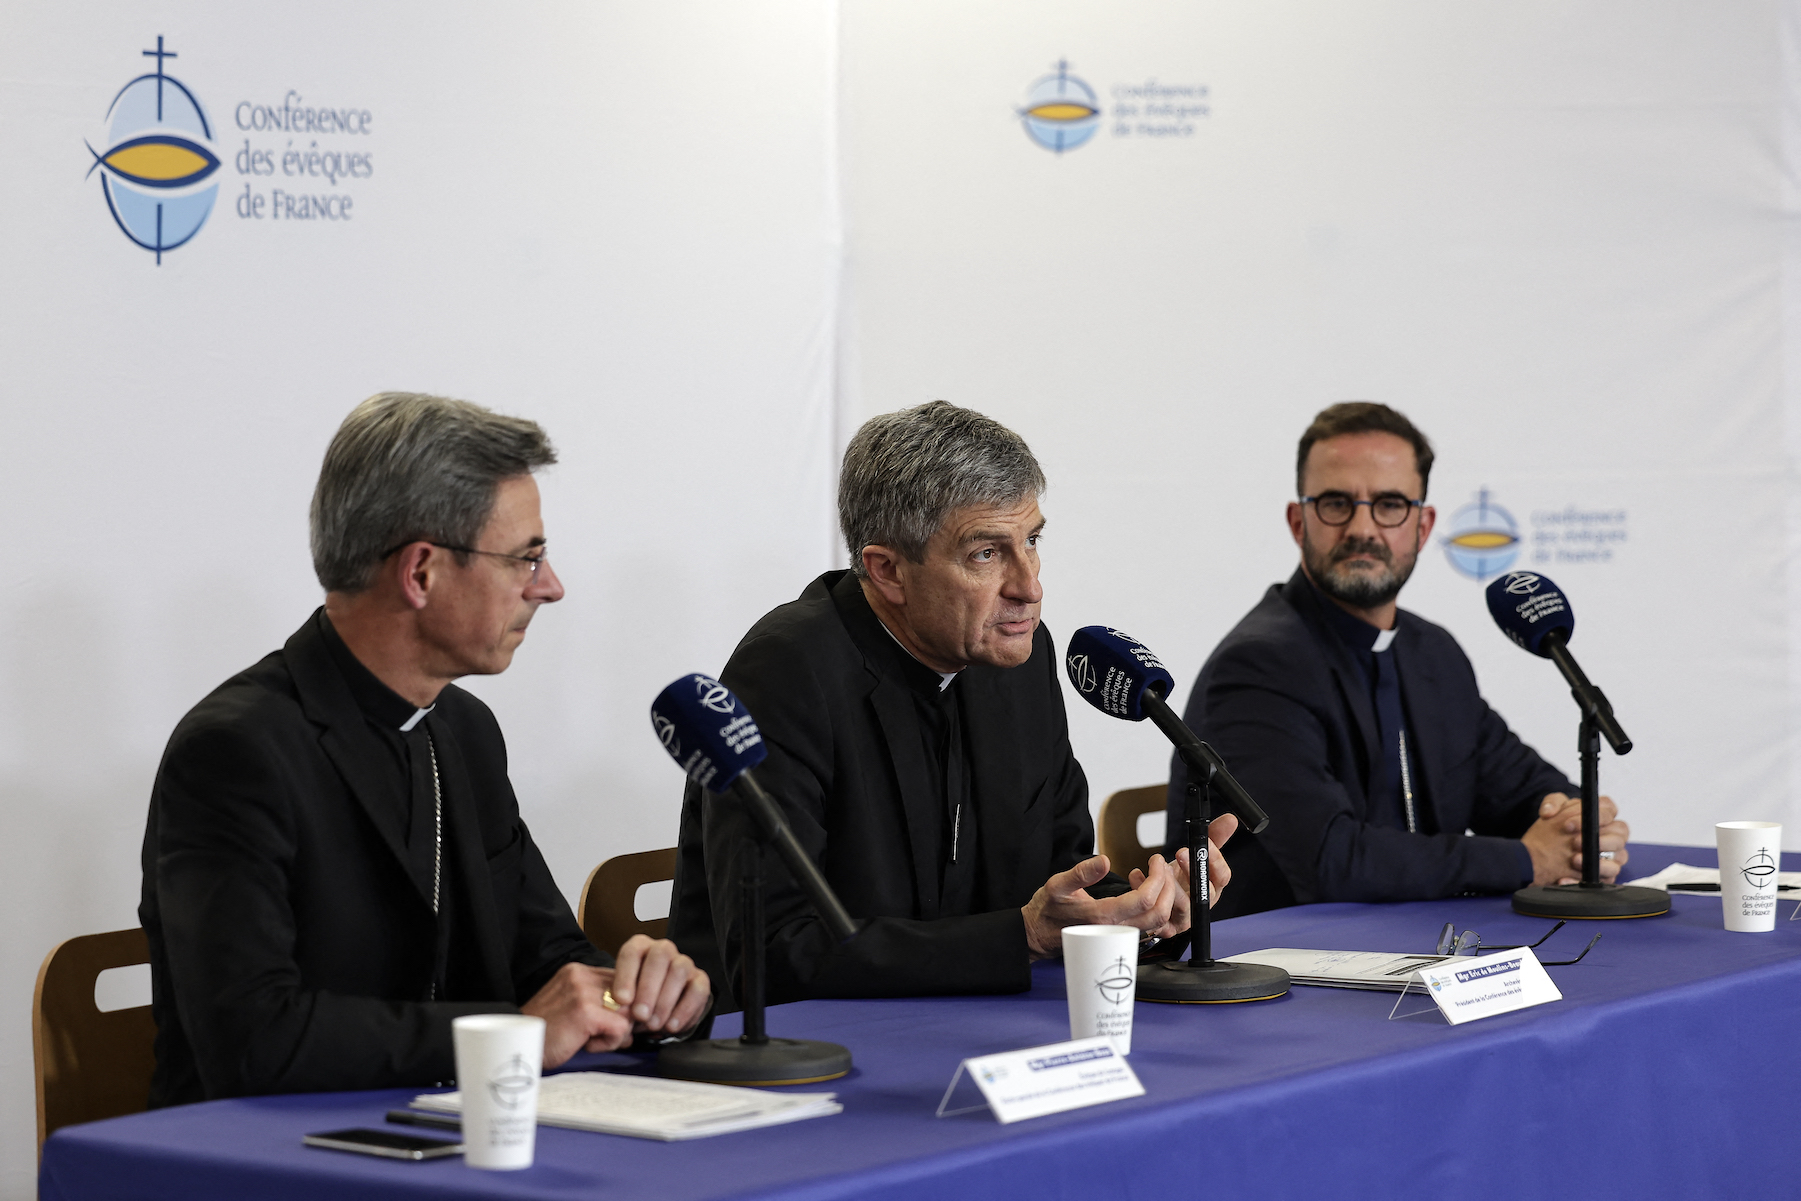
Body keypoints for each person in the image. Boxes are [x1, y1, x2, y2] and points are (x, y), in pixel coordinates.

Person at [139, 393, 710, 1106]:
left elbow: (545, 957)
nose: (551, 586)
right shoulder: (235, 750)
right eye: (526, 558)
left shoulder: (462, 729)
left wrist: (643, 992)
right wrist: (514, 1034)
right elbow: (252, 1039)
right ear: (421, 572)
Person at [670, 400, 1236, 1007]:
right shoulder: (786, 673)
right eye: (986, 554)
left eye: (1032, 541)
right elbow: (776, 950)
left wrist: (1141, 916)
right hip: (814, 1058)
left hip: (983, 1033)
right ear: (887, 571)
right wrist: (1019, 938)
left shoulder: (1019, 661)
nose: (1030, 587)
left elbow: (1062, 889)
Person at [1167, 402, 1630, 918]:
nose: (1363, 528)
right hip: (1287, 972)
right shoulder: (1258, 666)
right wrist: (1526, 860)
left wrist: (1575, 823)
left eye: (1389, 504)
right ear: (1299, 522)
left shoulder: (1434, 654)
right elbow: (1330, 862)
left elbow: (1523, 788)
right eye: (1337, 504)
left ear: (1423, 526)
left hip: (1427, 957)